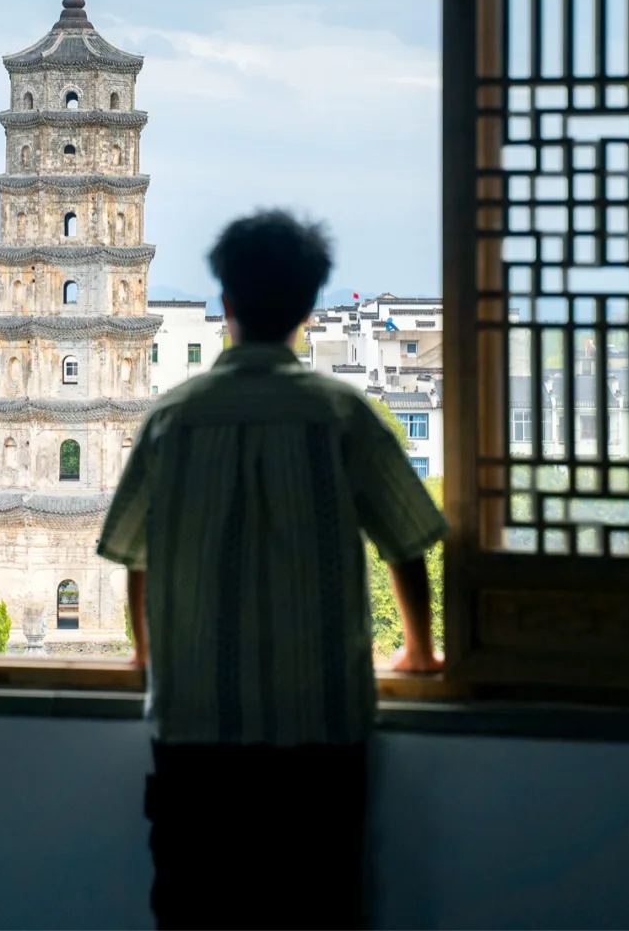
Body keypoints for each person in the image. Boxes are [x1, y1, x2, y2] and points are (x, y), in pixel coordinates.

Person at [97, 210, 447, 928]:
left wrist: (144, 652)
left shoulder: (173, 417)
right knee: (316, 907)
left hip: (196, 730)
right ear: (309, 307)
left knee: (197, 908)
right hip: (318, 730)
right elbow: (406, 541)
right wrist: (420, 648)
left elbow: (133, 552)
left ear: (224, 302)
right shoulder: (341, 411)